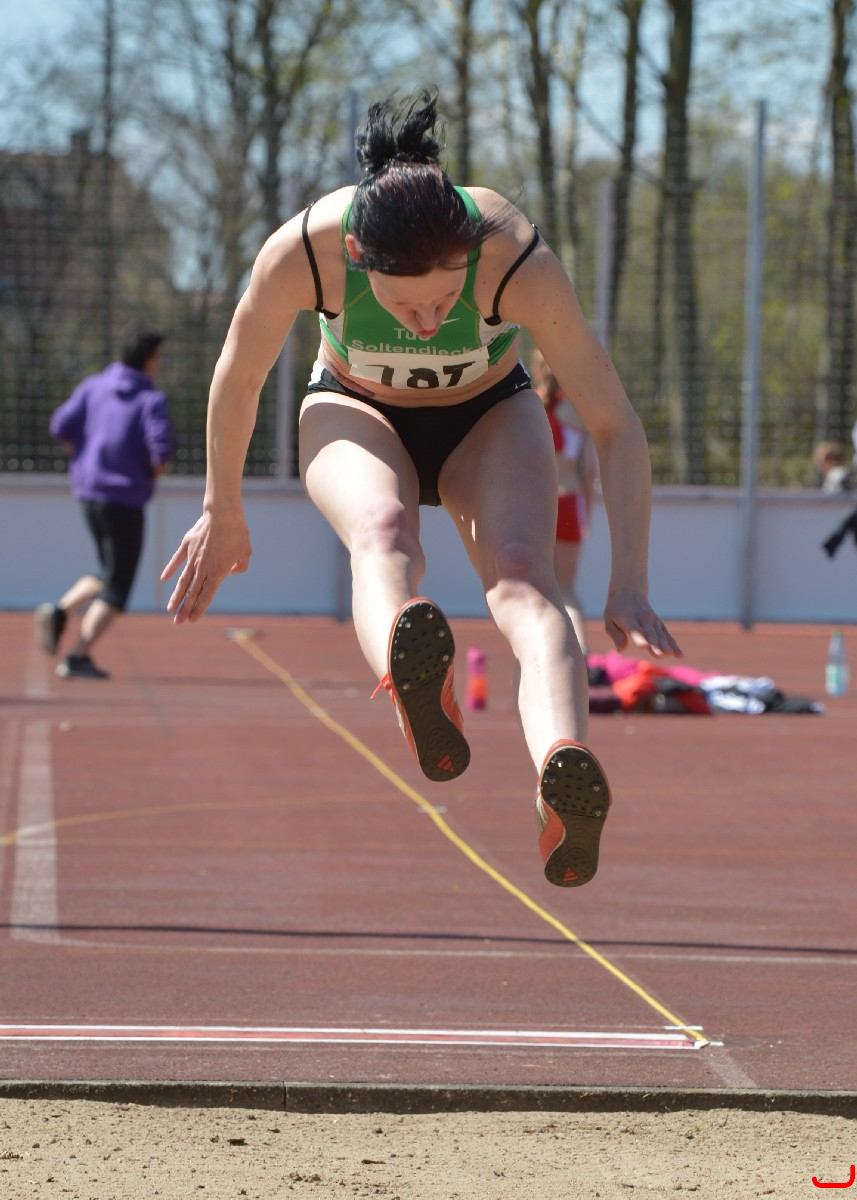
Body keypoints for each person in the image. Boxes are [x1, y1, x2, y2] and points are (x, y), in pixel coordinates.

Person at [161, 90, 681, 888]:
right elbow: (238, 375)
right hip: (355, 407)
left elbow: (613, 422)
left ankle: (561, 765)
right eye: (408, 306)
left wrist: (630, 581)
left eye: (446, 299)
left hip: (488, 416)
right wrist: (219, 509)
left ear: (469, 255)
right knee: (381, 530)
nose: (431, 321)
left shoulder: (512, 255)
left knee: (525, 578)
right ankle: (412, 678)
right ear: (359, 258)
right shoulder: (305, 250)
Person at [35, 325, 175, 679]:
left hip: (88, 493)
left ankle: (59, 611)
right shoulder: (150, 399)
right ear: (149, 360)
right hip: (125, 499)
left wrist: (86, 461)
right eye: (159, 357)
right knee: (118, 585)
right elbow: (161, 452)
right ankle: (78, 656)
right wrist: (147, 475)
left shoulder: (93, 386)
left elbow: (61, 426)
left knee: (109, 570)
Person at [531, 350, 598, 656]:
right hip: (570, 501)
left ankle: (544, 651)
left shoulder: (527, 404)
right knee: (566, 588)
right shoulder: (577, 410)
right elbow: (590, 470)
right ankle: (579, 649)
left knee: (538, 587)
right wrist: (588, 514)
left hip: (537, 502)